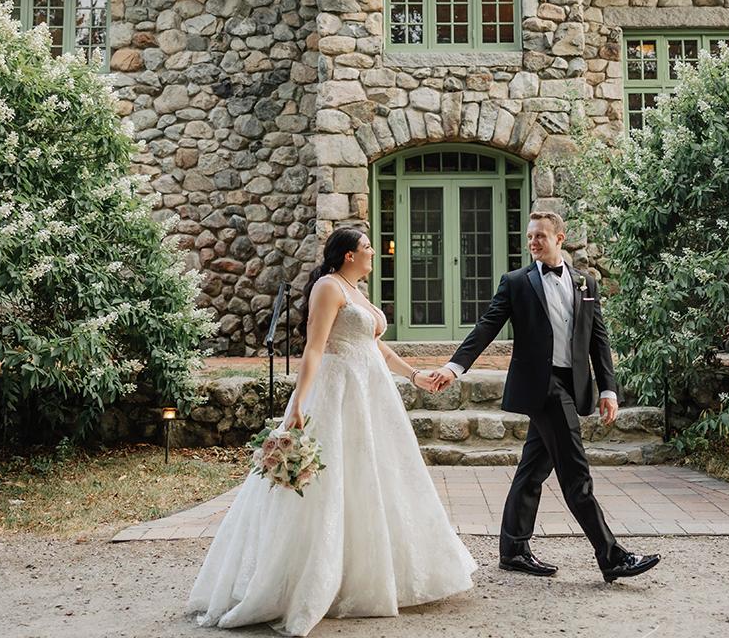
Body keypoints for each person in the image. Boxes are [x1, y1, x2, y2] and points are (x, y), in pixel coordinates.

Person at [188, 228, 476, 635]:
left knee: (373, 478)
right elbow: (315, 347)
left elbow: (377, 346)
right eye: (367, 248)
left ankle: (371, 576)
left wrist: (414, 375)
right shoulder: (328, 287)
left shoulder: (356, 290)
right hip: (337, 392)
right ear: (346, 255)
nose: (374, 253)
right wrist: (300, 403)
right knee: (330, 482)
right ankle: (309, 581)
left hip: (371, 394)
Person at [430, 211, 661, 583]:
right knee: (576, 472)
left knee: (534, 469)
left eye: (540, 236)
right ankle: (611, 556)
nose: (533, 242)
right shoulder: (516, 283)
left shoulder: (585, 283)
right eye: (529, 237)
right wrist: (454, 367)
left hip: (573, 384)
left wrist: (608, 388)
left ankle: (513, 551)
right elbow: (487, 326)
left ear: (560, 237)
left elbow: (598, 339)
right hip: (542, 386)